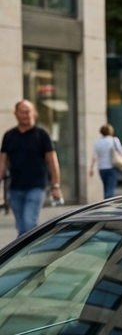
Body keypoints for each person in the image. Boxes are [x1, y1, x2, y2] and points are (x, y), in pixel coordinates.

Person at [0, 100, 62, 235]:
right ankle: (27, 253)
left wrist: (55, 186)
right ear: (16, 114)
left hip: (36, 186)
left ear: (34, 113)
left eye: (28, 112)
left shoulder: (42, 134)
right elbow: (2, 162)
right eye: (22, 112)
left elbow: (52, 161)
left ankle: (25, 253)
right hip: (15, 188)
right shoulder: (9, 136)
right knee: (22, 227)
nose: (25, 115)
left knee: (28, 225)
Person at [89, 124, 122, 199]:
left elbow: (94, 156)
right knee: (110, 190)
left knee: (106, 188)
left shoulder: (98, 142)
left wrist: (91, 168)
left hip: (101, 168)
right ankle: (108, 205)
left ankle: (105, 202)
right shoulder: (114, 140)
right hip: (111, 167)